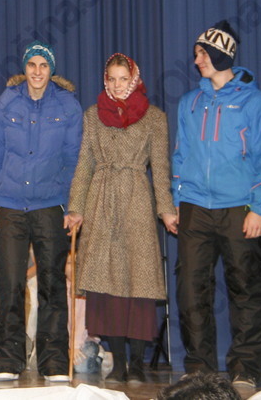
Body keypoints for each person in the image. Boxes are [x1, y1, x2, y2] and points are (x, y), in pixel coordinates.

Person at [173, 21, 261, 389]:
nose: (196, 60)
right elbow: (180, 156)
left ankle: (245, 369)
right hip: (195, 207)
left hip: (240, 208)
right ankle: (199, 368)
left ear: (221, 55)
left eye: (203, 53)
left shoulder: (255, 102)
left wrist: (260, 207)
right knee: (190, 290)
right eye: (197, 53)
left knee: (245, 289)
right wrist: (177, 201)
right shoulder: (189, 103)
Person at [65, 53, 175, 384]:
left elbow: (161, 169)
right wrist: (76, 208)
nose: (116, 85)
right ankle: (118, 362)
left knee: (139, 282)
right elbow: (84, 164)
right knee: (106, 286)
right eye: (111, 79)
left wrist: (166, 209)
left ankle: (138, 363)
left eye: (123, 79)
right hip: (101, 201)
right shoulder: (92, 115)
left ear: (134, 79)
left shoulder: (154, 118)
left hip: (137, 200)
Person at [0, 42, 82, 383]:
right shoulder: (5, 103)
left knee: (52, 284)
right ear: (24, 68)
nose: (37, 71)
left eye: (43, 65)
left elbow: (74, 159)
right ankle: (7, 360)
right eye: (32, 65)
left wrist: (71, 205)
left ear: (51, 70)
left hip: (51, 205)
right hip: (11, 205)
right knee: (10, 283)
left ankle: (53, 361)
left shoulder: (68, 106)